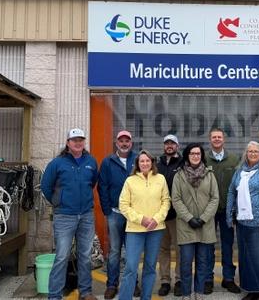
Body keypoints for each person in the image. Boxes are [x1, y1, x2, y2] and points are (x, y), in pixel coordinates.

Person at [41, 128, 99, 300]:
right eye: (74, 140)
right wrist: (59, 202)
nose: (78, 143)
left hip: (86, 215)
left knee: (85, 256)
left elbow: (92, 182)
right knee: (61, 256)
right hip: (64, 216)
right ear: (68, 143)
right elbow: (45, 186)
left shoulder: (91, 161)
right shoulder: (57, 163)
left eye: (81, 139)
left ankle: (86, 292)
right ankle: (54, 295)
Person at [226, 141, 259, 300]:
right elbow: (231, 192)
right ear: (246, 154)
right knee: (247, 259)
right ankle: (252, 290)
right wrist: (229, 215)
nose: (253, 154)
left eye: (256, 151)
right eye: (250, 151)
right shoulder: (239, 171)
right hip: (243, 223)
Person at [119, 150, 171, 300]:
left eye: (147, 161)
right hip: (135, 230)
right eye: (142, 161)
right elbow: (123, 205)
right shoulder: (130, 181)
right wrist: (141, 219)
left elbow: (166, 201)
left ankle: (146, 297)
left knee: (150, 267)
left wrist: (156, 219)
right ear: (137, 164)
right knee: (131, 267)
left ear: (152, 163)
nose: (145, 163)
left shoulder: (160, 179)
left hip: (156, 229)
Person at [172, 143, 219, 300]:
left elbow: (215, 198)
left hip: (205, 226)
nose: (195, 156)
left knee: (202, 263)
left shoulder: (209, 174)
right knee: (185, 263)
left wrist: (204, 218)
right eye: (192, 153)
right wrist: (189, 218)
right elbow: (176, 199)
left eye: (198, 153)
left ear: (202, 156)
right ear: (187, 155)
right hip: (186, 226)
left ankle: (199, 293)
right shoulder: (179, 175)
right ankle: (186, 293)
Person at [97, 130, 139, 299]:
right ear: (116, 143)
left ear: (131, 143)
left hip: (133, 215)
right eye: (121, 141)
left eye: (127, 141)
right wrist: (107, 210)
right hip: (114, 213)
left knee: (132, 251)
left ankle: (132, 284)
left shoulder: (137, 160)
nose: (124, 143)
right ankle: (112, 284)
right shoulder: (108, 162)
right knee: (114, 251)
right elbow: (102, 187)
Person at [205, 127, 241, 294]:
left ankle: (228, 278)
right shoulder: (204, 159)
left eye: (219, 137)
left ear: (224, 139)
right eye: (214, 137)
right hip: (208, 211)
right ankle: (207, 279)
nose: (217, 139)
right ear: (210, 139)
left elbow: (239, 185)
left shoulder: (234, 159)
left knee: (227, 245)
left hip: (227, 210)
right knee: (208, 245)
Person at [157, 134, 183, 297]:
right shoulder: (157, 164)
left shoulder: (183, 164)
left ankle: (179, 280)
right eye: (167, 143)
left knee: (180, 249)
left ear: (177, 146)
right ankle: (165, 281)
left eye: (172, 143)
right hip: (160, 216)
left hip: (177, 215)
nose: (169, 145)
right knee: (163, 249)